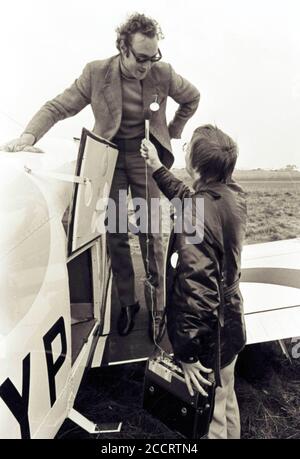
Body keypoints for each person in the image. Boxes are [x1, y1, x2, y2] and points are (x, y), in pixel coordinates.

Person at [0, 13, 200, 340]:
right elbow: (57, 107)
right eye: (140, 59)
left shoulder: (164, 74)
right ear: (123, 49)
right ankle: (129, 303)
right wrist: (28, 137)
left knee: (153, 235)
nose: (147, 66)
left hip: (147, 161)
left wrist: (172, 131)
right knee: (117, 237)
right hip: (110, 162)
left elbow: (192, 97)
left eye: (153, 58)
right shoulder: (96, 73)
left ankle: (158, 309)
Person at [140, 124, 247, 439]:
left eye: (187, 147)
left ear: (196, 166)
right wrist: (158, 168)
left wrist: (187, 355)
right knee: (225, 399)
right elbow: (192, 199)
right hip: (232, 323)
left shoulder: (194, 218)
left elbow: (195, 294)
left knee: (208, 418)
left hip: (208, 337)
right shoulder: (231, 196)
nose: (183, 149)